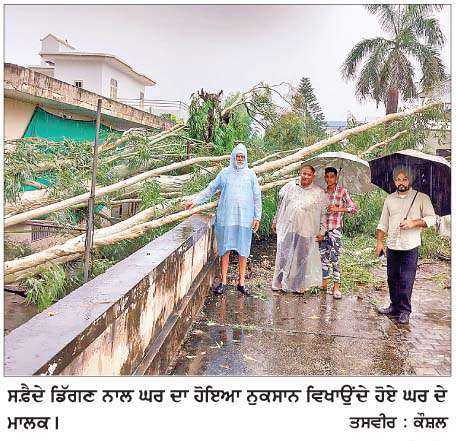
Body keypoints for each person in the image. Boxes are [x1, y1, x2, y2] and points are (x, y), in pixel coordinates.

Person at [185, 143, 261, 296]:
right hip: (226, 218)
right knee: (225, 249)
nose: (240, 159)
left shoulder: (250, 175)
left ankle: (241, 283)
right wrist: (195, 200)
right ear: (233, 157)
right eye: (238, 156)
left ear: (246, 158)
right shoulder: (225, 173)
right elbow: (211, 189)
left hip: (245, 219)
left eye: (242, 157)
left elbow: (257, 196)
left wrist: (257, 217)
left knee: (243, 251)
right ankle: (224, 281)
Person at [376, 166, 436, 325]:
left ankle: (405, 311)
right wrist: (379, 242)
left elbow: (432, 218)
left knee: (406, 279)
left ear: (410, 180)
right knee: (392, 278)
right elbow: (383, 223)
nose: (401, 182)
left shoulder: (421, 197)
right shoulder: (389, 199)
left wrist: (413, 223)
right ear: (394, 181)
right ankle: (394, 306)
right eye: (398, 179)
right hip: (392, 245)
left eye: (404, 179)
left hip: (410, 245)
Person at [271, 164, 327, 293]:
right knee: (284, 254)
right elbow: (281, 206)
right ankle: (279, 281)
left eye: (309, 174)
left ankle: (299, 284)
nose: (305, 176)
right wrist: (275, 220)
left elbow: (323, 213)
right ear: (300, 174)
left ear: (313, 177)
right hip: (289, 227)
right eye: (304, 173)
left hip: (306, 229)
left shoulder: (318, 193)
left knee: (302, 257)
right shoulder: (291, 187)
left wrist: (322, 231)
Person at [319, 167, 358, 299]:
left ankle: (336, 287)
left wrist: (338, 209)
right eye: (327, 176)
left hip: (335, 229)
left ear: (336, 177)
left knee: (335, 258)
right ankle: (324, 284)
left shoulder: (342, 191)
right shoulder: (322, 193)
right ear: (325, 177)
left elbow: (353, 209)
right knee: (323, 257)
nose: (329, 179)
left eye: (332, 176)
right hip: (323, 229)